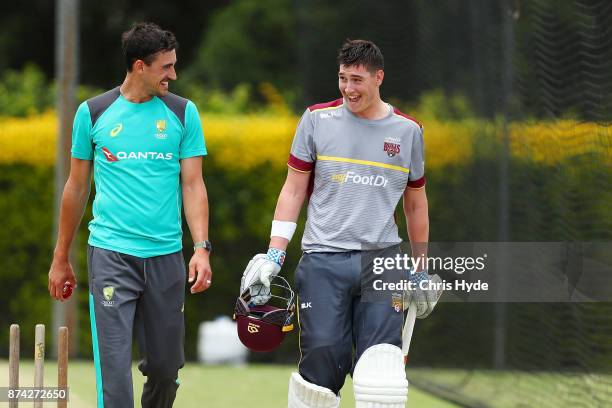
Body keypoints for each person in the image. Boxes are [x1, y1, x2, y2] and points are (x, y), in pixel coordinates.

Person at [241, 39, 441, 408]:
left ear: (378, 77)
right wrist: (274, 253)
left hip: (383, 262)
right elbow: (293, 190)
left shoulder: (409, 131)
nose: (348, 88)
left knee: (382, 374)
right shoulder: (316, 120)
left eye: (357, 79)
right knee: (320, 372)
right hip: (323, 261)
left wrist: (419, 268)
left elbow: (415, 205)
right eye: (342, 78)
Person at [48, 22, 212, 408]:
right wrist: (61, 257)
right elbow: (75, 188)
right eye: (165, 67)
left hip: (165, 256)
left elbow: (193, 185)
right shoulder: (93, 113)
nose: (173, 74)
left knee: (165, 368)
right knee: (115, 373)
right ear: (140, 66)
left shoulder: (183, 113)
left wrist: (202, 248)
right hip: (110, 255)